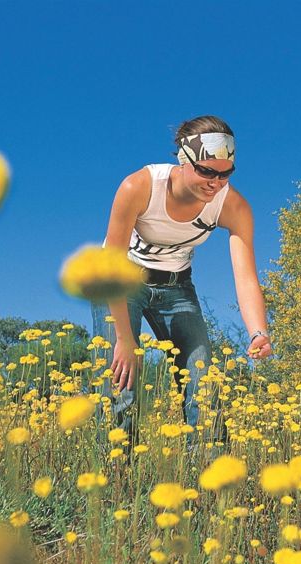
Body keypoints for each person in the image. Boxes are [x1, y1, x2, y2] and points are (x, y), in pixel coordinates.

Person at [92, 115, 273, 444]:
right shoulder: (139, 187)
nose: (215, 183)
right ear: (184, 159)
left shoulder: (233, 206)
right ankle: (112, 486)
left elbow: (246, 277)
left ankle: (209, 485)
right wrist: (124, 339)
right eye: (206, 171)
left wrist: (258, 331)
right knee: (121, 382)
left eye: (224, 174)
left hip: (177, 287)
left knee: (202, 382)